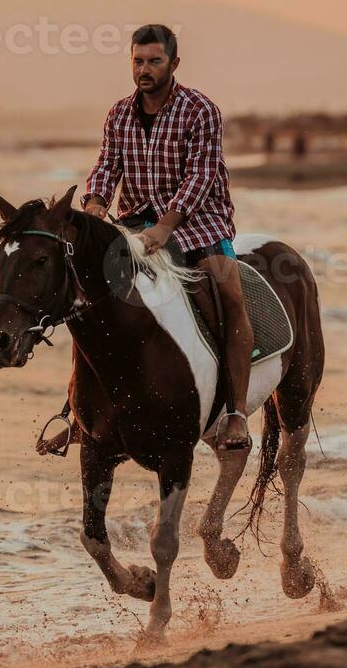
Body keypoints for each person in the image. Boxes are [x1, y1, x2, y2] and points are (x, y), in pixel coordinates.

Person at [44, 24, 254, 454]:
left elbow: (201, 176)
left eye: (154, 61)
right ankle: (79, 411)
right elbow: (106, 166)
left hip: (201, 224)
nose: (144, 69)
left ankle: (236, 411)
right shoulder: (119, 113)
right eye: (138, 61)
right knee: (86, 299)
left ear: (174, 64)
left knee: (229, 294)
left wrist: (167, 225)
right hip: (135, 225)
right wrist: (97, 206)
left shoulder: (201, 110)